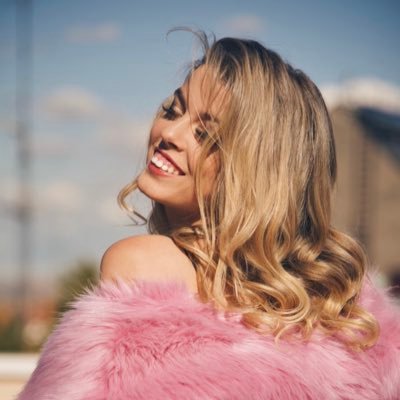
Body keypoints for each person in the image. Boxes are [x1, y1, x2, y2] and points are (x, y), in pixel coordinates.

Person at [17, 30, 400, 400]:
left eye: (205, 134)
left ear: (256, 172)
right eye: (173, 110)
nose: (170, 134)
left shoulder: (144, 265)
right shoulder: (350, 322)